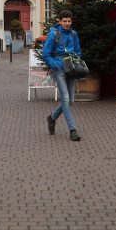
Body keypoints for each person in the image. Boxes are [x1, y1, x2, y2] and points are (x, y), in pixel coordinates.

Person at [42, 10, 82, 142]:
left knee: (70, 100)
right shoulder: (54, 34)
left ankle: (52, 118)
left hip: (71, 69)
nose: (67, 23)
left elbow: (77, 51)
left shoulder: (74, 34)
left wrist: (75, 61)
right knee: (65, 99)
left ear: (72, 21)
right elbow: (46, 54)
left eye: (69, 21)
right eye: (64, 21)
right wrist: (56, 65)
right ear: (59, 21)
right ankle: (72, 130)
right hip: (59, 70)